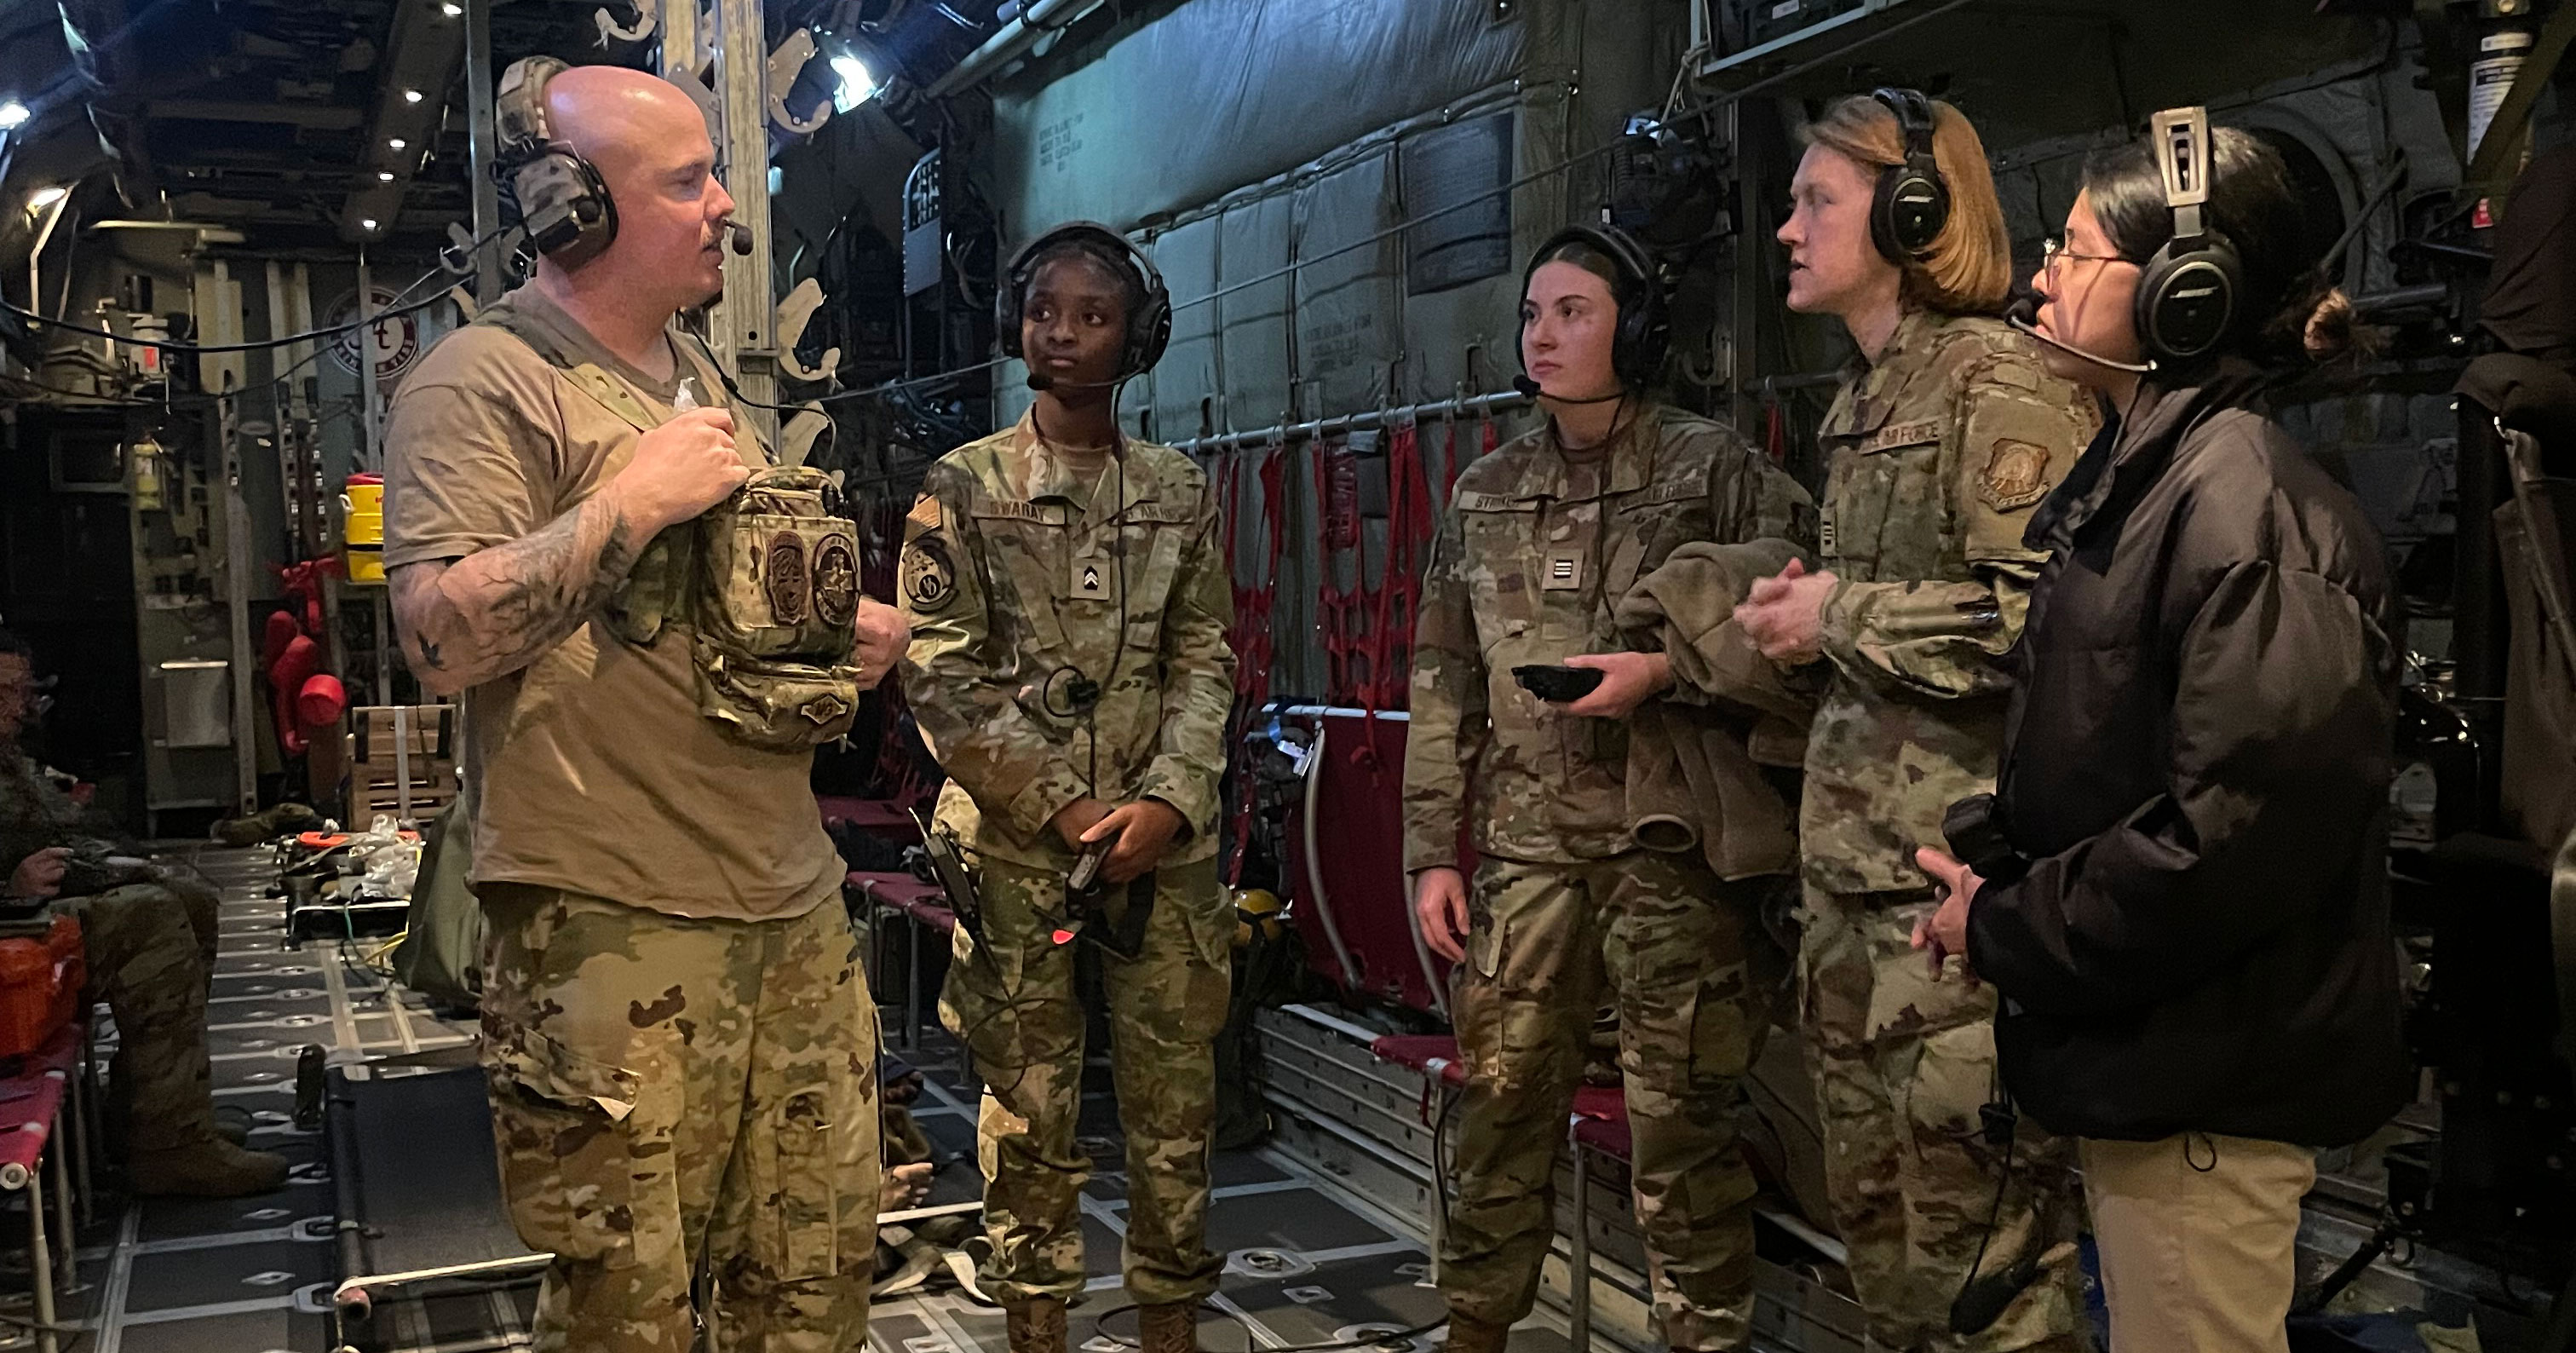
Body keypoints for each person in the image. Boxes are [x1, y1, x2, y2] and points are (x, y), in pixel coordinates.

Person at [382, 60, 908, 1351]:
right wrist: (628, 503)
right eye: (688, 181)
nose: (727, 204)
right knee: (630, 1316)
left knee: (811, 1287)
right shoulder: (480, 381)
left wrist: (833, 635)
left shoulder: (696, 383)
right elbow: (440, 640)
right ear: (575, 210)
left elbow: (696, 623)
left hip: (783, 903)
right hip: (612, 926)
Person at [1914, 108, 2408, 1353]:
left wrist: (2009, 928)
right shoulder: (2167, 480)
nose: (2041, 275)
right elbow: (2119, 759)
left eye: (2074, 252)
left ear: (2184, 295)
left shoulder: (2246, 511)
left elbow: (2229, 842)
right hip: (2160, 1069)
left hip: (2206, 1092)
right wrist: (2001, 867)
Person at [1730, 89, 2098, 1352]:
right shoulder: (1870, 396)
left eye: (1815, 201)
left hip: (1951, 916)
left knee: (1989, 1286)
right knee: (1892, 1277)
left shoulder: (1996, 386)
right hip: (1856, 908)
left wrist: (1837, 615)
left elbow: (2048, 628)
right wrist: (1803, 623)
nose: (1787, 227)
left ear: (1910, 212)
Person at [1403, 223, 1814, 1353]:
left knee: (1684, 1127)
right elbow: (1442, 679)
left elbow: (1800, 630)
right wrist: (1431, 850)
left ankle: (1704, 1336)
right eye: (1533, 313)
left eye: (1573, 311)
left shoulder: (1715, 470)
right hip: (1529, 853)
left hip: (1666, 852)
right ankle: (1476, 1328)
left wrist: (1670, 673)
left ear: (1632, 327)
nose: (1544, 335)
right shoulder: (1484, 491)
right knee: (1496, 1109)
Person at [897, 222, 1235, 1353]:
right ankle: (1037, 1326)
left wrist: (1171, 799)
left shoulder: (1177, 490)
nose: (1068, 333)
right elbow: (937, 671)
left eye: (1096, 315)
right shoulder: (966, 486)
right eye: (1048, 311)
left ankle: (1170, 1326)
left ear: (1138, 335)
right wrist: (1063, 807)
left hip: (1162, 852)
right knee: (1029, 1112)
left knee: (1175, 1111)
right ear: (1017, 327)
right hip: (1018, 853)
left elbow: (1205, 658)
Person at [0, 629, 288, 1197]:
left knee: (189, 898)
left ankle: (152, 1114)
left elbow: (59, 827)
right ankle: (168, 1146)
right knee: (149, 916)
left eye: (20, 689)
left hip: (30, 909)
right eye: (7, 691)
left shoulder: (8, 756)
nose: (20, 706)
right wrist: (8, 887)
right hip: (12, 921)